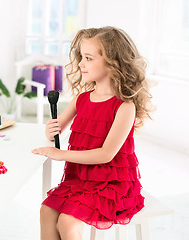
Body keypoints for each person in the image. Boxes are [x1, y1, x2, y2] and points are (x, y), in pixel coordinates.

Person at [32, 26, 154, 240]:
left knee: (67, 221)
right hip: (80, 180)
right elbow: (56, 130)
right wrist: (51, 129)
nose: (80, 64)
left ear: (113, 62)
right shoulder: (81, 99)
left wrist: (62, 155)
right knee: (46, 211)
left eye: (88, 58)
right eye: (81, 57)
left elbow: (105, 154)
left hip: (113, 187)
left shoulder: (124, 106)